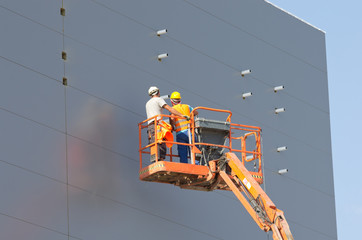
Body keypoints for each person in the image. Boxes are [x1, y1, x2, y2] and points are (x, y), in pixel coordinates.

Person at [145, 86, 186, 162]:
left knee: (154, 143)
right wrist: (182, 115)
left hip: (150, 127)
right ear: (158, 92)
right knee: (161, 142)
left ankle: (156, 161)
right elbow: (169, 109)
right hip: (157, 125)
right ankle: (161, 161)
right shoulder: (159, 100)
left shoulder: (148, 103)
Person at [169, 91, 198, 164]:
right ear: (179, 100)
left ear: (172, 101)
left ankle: (185, 166)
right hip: (190, 132)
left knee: (183, 153)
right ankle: (197, 165)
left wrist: (172, 127)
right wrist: (189, 115)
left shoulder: (172, 110)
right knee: (195, 151)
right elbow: (196, 112)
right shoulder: (187, 106)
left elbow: (172, 120)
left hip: (180, 134)